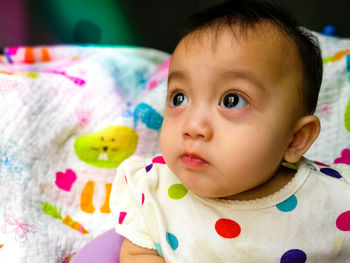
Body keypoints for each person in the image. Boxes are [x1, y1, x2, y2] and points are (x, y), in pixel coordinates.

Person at [110, 0, 350, 262]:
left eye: (232, 101)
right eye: (179, 98)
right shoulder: (152, 189)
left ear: (295, 139)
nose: (193, 126)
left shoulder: (334, 203)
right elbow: (136, 251)